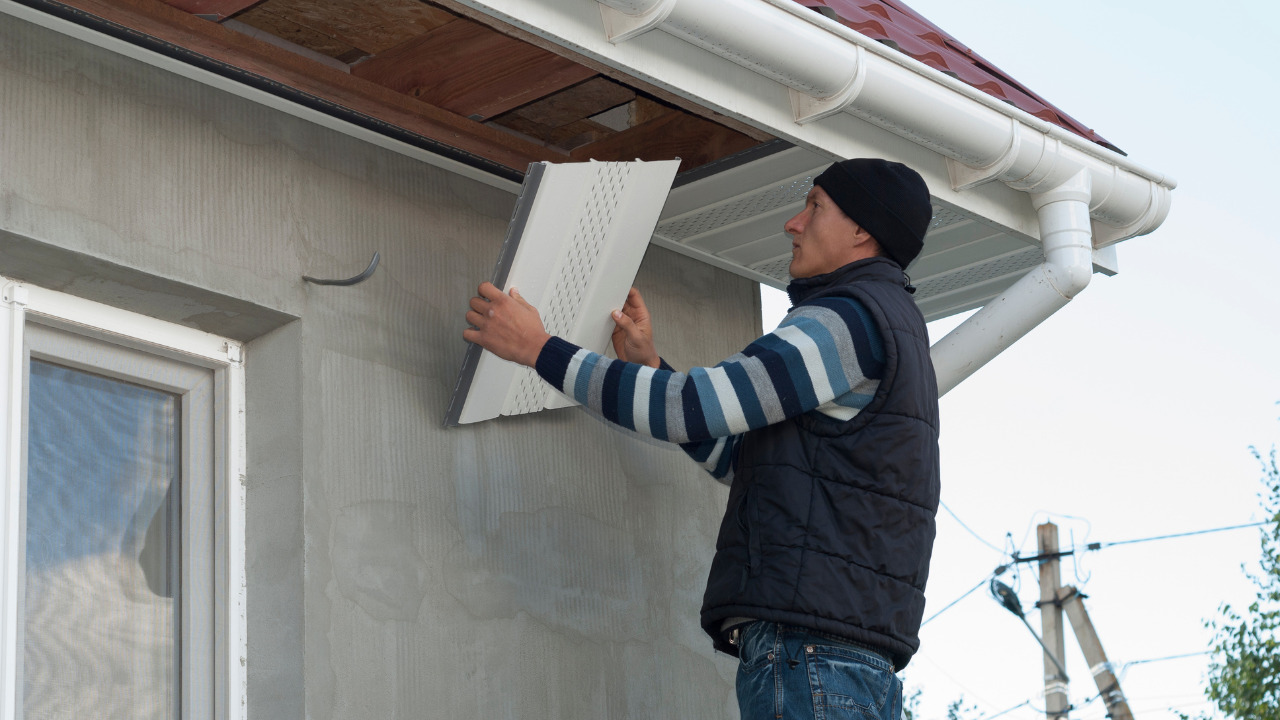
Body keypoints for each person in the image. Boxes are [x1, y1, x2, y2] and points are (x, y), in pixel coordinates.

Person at [464, 158, 940, 720]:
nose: (793, 222)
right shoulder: (886, 323)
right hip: (844, 663)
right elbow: (750, 462)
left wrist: (539, 349)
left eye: (814, 205)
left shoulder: (848, 320)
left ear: (862, 229)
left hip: (812, 656)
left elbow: (689, 410)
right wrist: (651, 365)